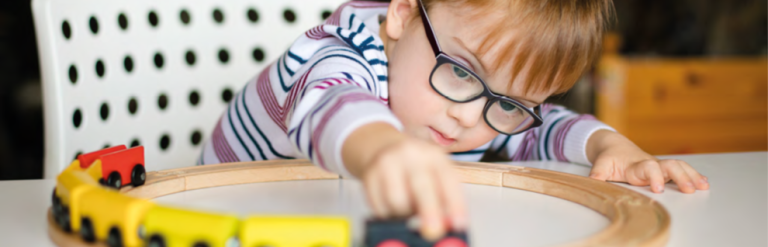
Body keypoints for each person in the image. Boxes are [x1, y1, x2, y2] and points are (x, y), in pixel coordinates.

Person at [198, 0, 709, 240]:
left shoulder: (479, 111)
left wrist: (608, 146)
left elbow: (543, 126)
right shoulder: (337, 55)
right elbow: (331, 105)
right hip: (218, 221)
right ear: (401, 14)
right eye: (461, 72)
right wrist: (383, 147)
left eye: (508, 103)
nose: (468, 118)